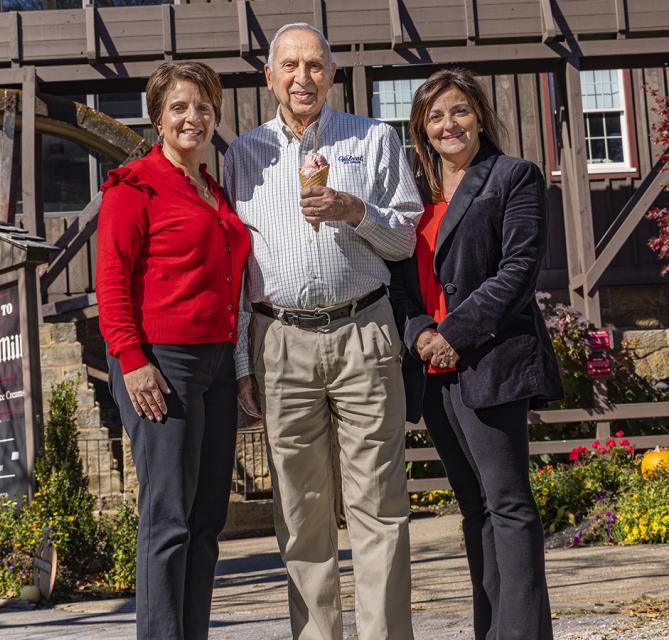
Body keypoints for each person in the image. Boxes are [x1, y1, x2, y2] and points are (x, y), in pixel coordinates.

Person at [224, 23, 423, 640]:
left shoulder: (373, 139)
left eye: (314, 66)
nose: (301, 78)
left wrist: (353, 210)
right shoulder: (242, 156)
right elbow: (234, 269)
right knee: (300, 511)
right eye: (289, 66)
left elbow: (405, 240)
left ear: (331, 75)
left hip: (364, 329)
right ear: (269, 77)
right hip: (280, 338)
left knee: (379, 504)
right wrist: (241, 362)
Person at [389, 68, 563, 640]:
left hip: (490, 360)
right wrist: (418, 333)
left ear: (480, 115)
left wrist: (452, 335)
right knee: (473, 509)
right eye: (435, 116)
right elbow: (401, 283)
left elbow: (517, 273)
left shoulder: (514, 177)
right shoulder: (416, 192)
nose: (448, 125)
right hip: (433, 370)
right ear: (421, 127)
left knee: (508, 504)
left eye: (459, 111)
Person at [96, 61, 250, 640]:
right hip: (162, 362)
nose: (194, 117)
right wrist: (132, 362)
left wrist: (237, 366)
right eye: (180, 107)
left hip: (214, 362)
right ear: (158, 118)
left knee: (208, 520)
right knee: (168, 520)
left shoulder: (213, 188)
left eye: (204, 106)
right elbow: (110, 282)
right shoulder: (133, 184)